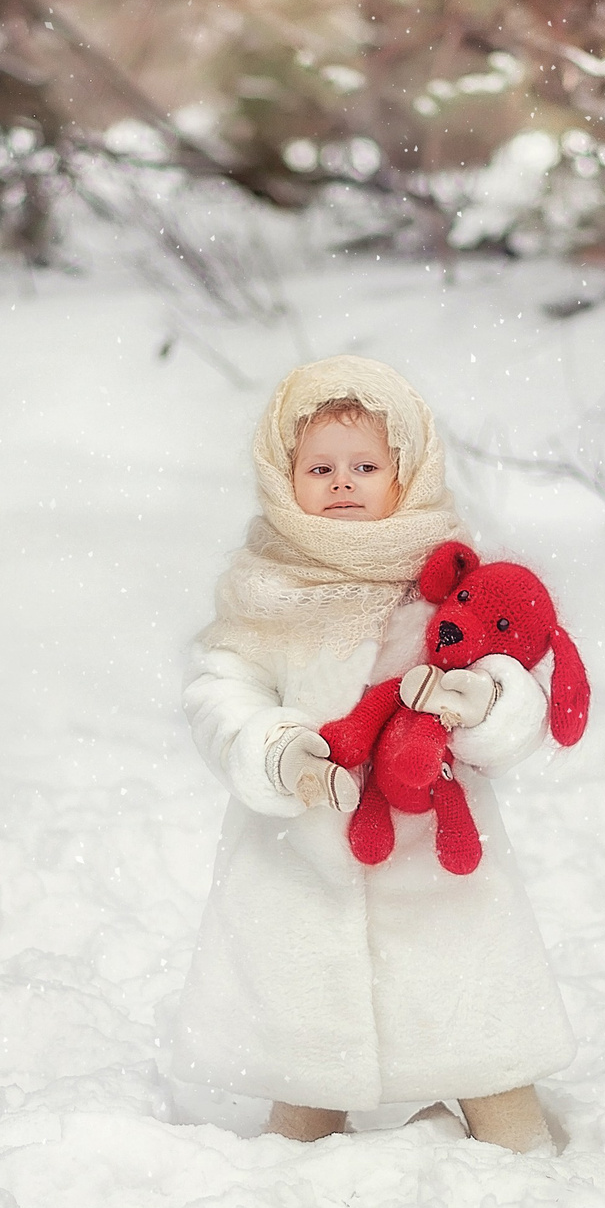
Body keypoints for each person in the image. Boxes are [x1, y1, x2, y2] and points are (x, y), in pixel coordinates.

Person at [172, 354, 575, 1153]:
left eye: (366, 465)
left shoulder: (443, 579)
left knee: (469, 999)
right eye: (320, 467)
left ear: (408, 474)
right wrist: (277, 751)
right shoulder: (266, 587)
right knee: (308, 1022)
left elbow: (512, 680)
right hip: (306, 848)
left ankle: (510, 1123)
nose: (343, 482)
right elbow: (223, 692)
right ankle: (305, 1128)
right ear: (285, 477)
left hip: (437, 848)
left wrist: (483, 704)